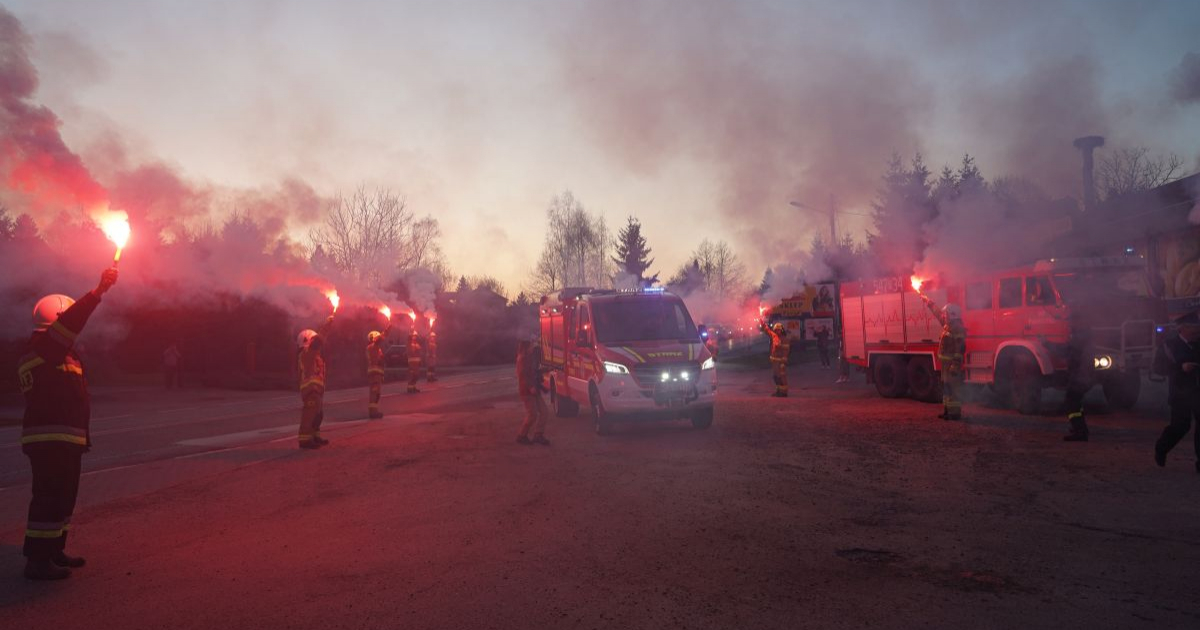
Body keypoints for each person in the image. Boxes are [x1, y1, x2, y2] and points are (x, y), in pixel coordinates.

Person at [18, 268, 118, 580]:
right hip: (52, 440)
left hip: (64, 440)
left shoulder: (51, 353)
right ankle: (37, 561)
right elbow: (72, 323)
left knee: (63, 497)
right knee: (49, 497)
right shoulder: (46, 349)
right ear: (56, 321)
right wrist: (98, 291)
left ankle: (54, 550)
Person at [1153, 312, 1200, 472]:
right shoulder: (1169, 345)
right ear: (1183, 329)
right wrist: (1180, 368)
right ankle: (1162, 448)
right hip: (1180, 393)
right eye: (1193, 328)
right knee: (1181, 426)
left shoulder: (1198, 343)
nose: (1197, 332)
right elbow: (1158, 368)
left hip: (1197, 391)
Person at [923, 295, 967, 421]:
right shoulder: (949, 325)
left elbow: (960, 349)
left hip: (952, 366)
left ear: (953, 315)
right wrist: (929, 302)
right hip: (945, 366)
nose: (944, 316)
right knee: (947, 389)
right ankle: (947, 412)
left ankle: (955, 414)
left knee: (954, 390)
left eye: (947, 314)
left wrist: (955, 365)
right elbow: (938, 315)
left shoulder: (957, 328)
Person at [297, 315, 335, 449]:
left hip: (317, 390)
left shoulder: (313, 355)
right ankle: (305, 440)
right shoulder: (307, 353)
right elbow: (318, 341)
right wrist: (327, 324)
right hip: (310, 390)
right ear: (307, 341)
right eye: (313, 342)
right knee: (310, 413)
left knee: (318, 414)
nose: (319, 346)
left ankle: (314, 436)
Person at [1061, 313, 1094, 442]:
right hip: (1082, 375)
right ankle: (1081, 429)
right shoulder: (1084, 335)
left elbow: (1065, 350)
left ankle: (1080, 432)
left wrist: (1046, 343)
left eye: (1071, 321)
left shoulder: (1079, 338)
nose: (1069, 324)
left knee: (1071, 401)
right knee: (1076, 402)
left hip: (1080, 376)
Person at [516, 340, 550, 445]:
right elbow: (522, 376)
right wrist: (530, 387)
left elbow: (534, 372)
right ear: (526, 348)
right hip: (527, 391)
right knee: (532, 414)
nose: (532, 348)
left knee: (544, 411)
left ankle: (538, 434)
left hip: (534, 390)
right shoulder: (522, 360)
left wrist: (545, 370)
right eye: (530, 346)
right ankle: (522, 435)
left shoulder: (529, 359)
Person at [760, 320, 791, 397]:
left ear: (782, 330)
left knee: (781, 377)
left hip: (781, 362)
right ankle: (778, 391)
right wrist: (763, 324)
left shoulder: (785, 339)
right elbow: (767, 331)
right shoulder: (774, 336)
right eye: (776, 330)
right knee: (775, 377)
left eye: (779, 330)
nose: (777, 332)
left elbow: (786, 351)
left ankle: (784, 392)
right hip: (774, 361)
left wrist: (783, 362)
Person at [365, 325, 390, 419]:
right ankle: (373, 413)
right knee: (375, 393)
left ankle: (374, 411)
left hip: (376, 373)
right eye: (377, 337)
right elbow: (381, 339)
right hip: (375, 373)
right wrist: (388, 328)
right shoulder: (373, 347)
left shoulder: (373, 348)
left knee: (376, 393)